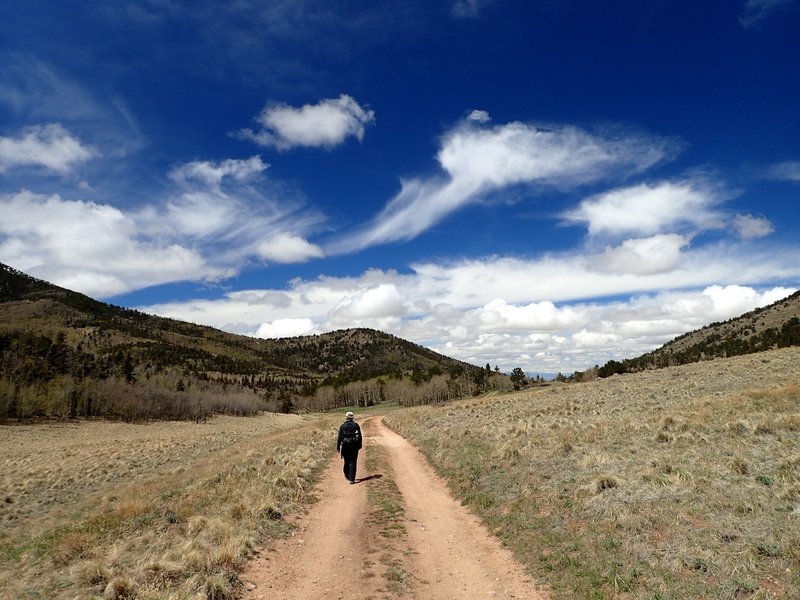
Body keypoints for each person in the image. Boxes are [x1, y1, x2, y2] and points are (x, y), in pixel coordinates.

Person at [337, 411, 362, 484]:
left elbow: (339, 437)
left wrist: (338, 447)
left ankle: (347, 475)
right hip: (354, 446)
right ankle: (352, 478)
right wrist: (359, 445)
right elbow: (359, 436)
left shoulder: (342, 426)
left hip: (345, 446)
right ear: (352, 418)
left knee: (346, 461)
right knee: (353, 461)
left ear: (346, 418)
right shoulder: (356, 425)